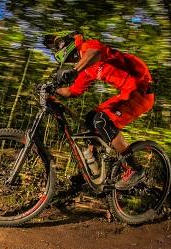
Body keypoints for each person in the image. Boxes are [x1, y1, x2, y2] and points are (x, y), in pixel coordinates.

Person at [43, 31, 155, 190]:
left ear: (69, 43)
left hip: (141, 91)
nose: (57, 49)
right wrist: (51, 89)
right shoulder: (86, 70)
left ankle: (135, 168)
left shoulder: (88, 46)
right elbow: (72, 91)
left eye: (58, 44)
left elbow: (95, 53)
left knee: (101, 120)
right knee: (91, 118)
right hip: (126, 93)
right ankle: (93, 171)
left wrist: (74, 71)